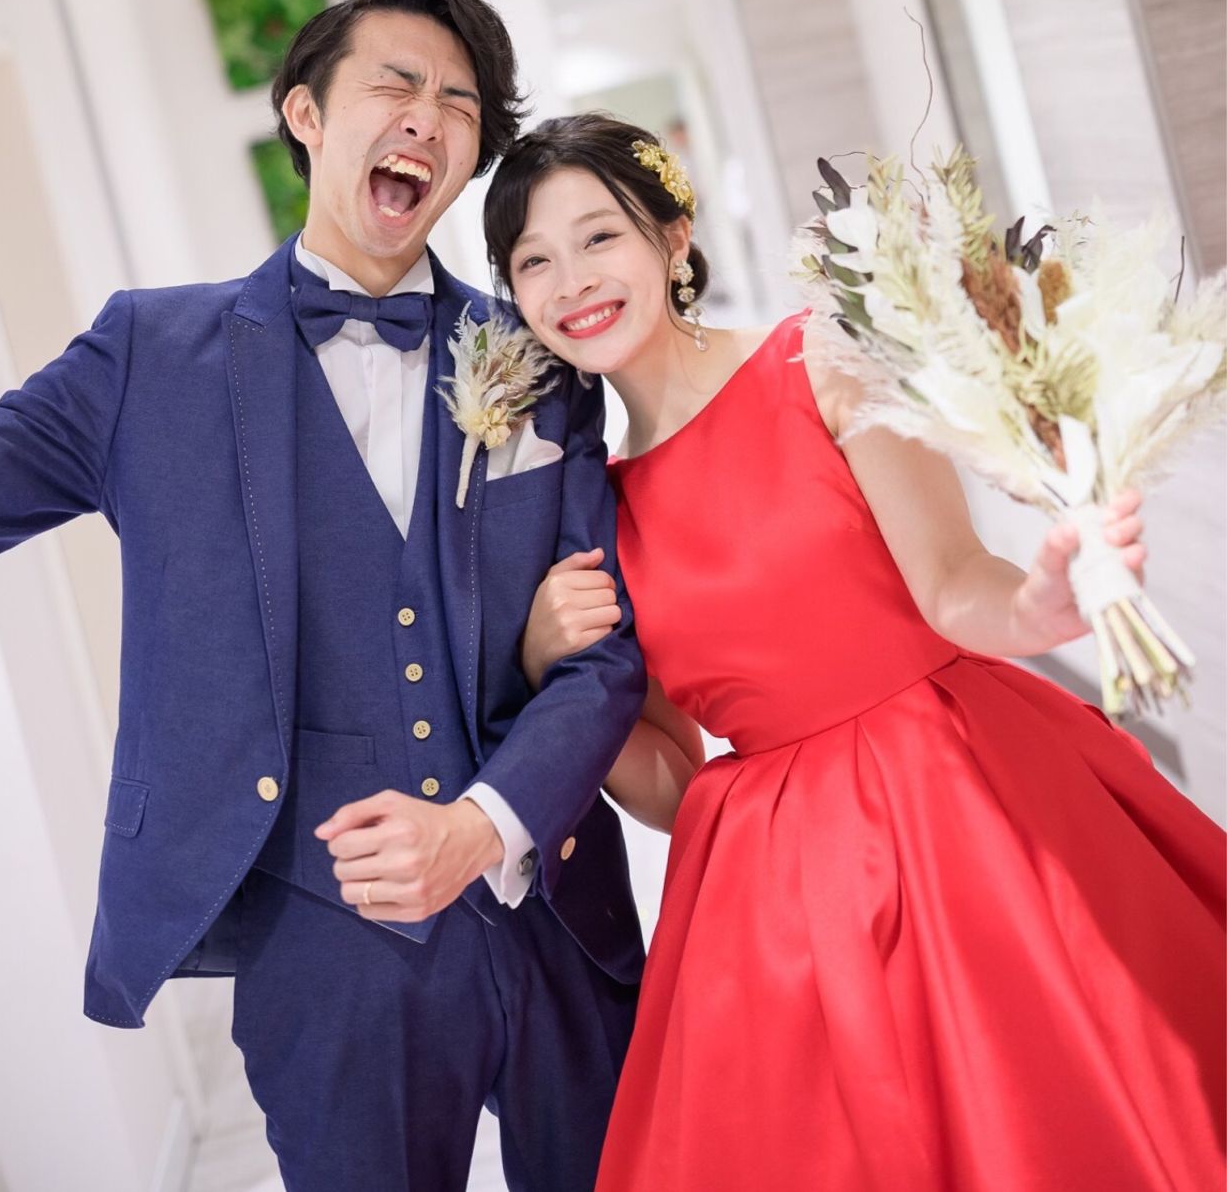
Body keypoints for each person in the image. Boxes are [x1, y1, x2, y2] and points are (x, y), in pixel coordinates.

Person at [0, 0, 647, 1192]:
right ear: (306, 115)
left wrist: (480, 826)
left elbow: (604, 654)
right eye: (396, 82)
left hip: (550, 906)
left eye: (458, 102)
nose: (427, 116)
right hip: (320, 948)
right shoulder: (149, 358)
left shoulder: (539, 360)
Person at [483, 111, 1227, 1192]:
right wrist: (548, 677)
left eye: (599, 237)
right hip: (781, 883)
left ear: (673, 236)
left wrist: (1041, 604)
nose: (572, 281)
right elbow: (674, 781)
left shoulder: (818, 360)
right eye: (534, 261)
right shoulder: (590, 504)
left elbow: (952, 583)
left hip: (963, 799)